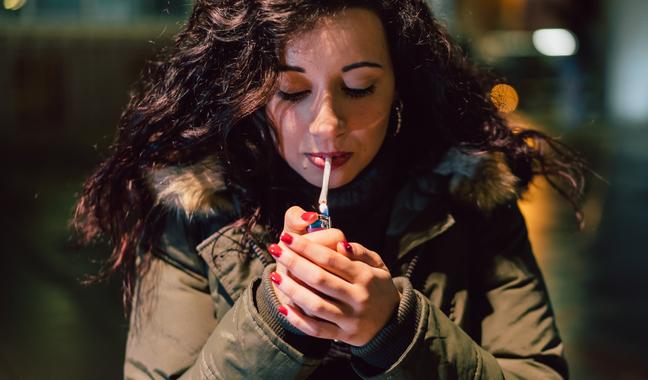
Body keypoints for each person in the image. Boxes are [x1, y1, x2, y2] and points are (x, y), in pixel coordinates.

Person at [73, 1, 586, 379]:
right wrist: (278, 318)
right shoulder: (194, 206)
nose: (327, 125)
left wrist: (395, 328)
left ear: (400, 88)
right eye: (291, 91)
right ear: (248, 94)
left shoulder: (472, 196)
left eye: (359, 87)